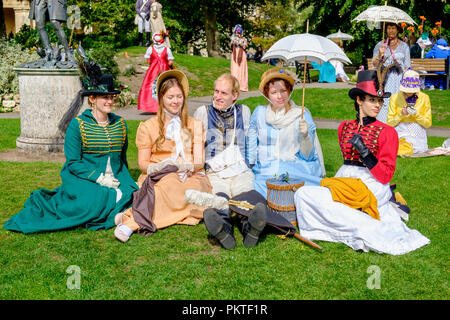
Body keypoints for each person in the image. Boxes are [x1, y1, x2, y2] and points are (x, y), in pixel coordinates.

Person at [294, 70, 430, 255]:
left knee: (349, 207)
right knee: (303, 194)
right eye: (372, 100)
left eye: (380, 101)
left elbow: (386, 175)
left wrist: (366, 154)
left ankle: (369, 229)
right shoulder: (344, 127)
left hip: (372, 183)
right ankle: (361, 223)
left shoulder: (387, 132)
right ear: (359, 100)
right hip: (345, 180)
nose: (378, 105)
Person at [3, 64, 138, 234]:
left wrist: (123, 178)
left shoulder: (120, 124)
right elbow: (73, 163)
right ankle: (117, 217)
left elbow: (122, 159)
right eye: (105, 97)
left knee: (135, 194)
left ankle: (119, 216)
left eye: (112, 97)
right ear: (92, 99)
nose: (110, 101)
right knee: (93, 199)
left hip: (117, 177)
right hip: (84, 177)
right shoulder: (77, 125)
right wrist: (99, 178)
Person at [114, 70, 212, 242]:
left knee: (193, 190)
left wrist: (184, 167)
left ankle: (131, 218)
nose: (175, 101)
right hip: (160, 174)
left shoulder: (194, 125)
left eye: (179, 96)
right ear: (161, 99)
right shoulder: (149, 127)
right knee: (169, 185)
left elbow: (199, 161)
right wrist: (164, 166)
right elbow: (143, 164)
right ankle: (132, 223)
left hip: (192, 173)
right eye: (170, 97)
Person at [193, 74, 266, 249]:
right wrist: (198, 167)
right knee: (221, 194)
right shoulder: (203, 112)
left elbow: (250, 141)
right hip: (214, 169)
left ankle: (250, 229)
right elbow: (195, 143)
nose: (217, 96)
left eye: (223, 93)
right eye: (216, 91)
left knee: (244, 191)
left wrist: (250, 165)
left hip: (239, 167)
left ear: (235, 95)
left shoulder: (244, 111)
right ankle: (223, 229)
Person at [246, 68, 325, 198]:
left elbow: (308, 156)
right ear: (267, 94)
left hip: (294, 165)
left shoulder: (301, 115)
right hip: (264, 167)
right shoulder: (259, 113)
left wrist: (305, 135)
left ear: (289, 91)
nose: (279, 96)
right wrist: (250, 167)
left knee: (289, 185)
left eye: (283, 91)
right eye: (274, 92)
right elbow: (252, 145)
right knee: (261, 185)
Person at [372, 22, 411, 123]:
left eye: (393, 28)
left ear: (398, 30)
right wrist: (380, 54)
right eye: (389, 28)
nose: (391, 31)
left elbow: (407, 65)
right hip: (385, 79)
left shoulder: (404, 46)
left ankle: (398, 124)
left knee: (400, 101)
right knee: (385, 101)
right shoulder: (380, 45)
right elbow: (375, 64)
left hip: (399, 79)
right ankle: (383, 123)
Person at [387, 69, 432, 155]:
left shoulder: (424, 98)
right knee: (399, 145)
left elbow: (428, 124)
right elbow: (389, 123)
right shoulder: (395, 97)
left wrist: (416, 115)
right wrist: (401, 114)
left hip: (417, 130)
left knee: (417, 148)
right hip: (400, 129)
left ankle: (404, 147)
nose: (408, 93)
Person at [137, 33, 174, 113]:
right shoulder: (166, 49)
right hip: (162, 69)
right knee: (161, 87)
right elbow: (170, 62)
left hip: (153, 70)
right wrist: (164, 63)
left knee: (153, 86)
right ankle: (160, 107)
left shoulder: (151, 49)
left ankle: (158, 107)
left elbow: (148, 60)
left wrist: (154, 64)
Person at [230, 24, 248, 92]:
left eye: (238, 32)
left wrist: (241, 44)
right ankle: (234, 86)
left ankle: (242, 86)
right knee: (235, 70)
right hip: (235, 54)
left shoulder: (244, 39)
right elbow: (231, 46)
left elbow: (245, 47)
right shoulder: (233, 38)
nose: (237, 34)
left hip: (241, 54)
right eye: (236, 32)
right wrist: (233, 43)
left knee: (241, 70)